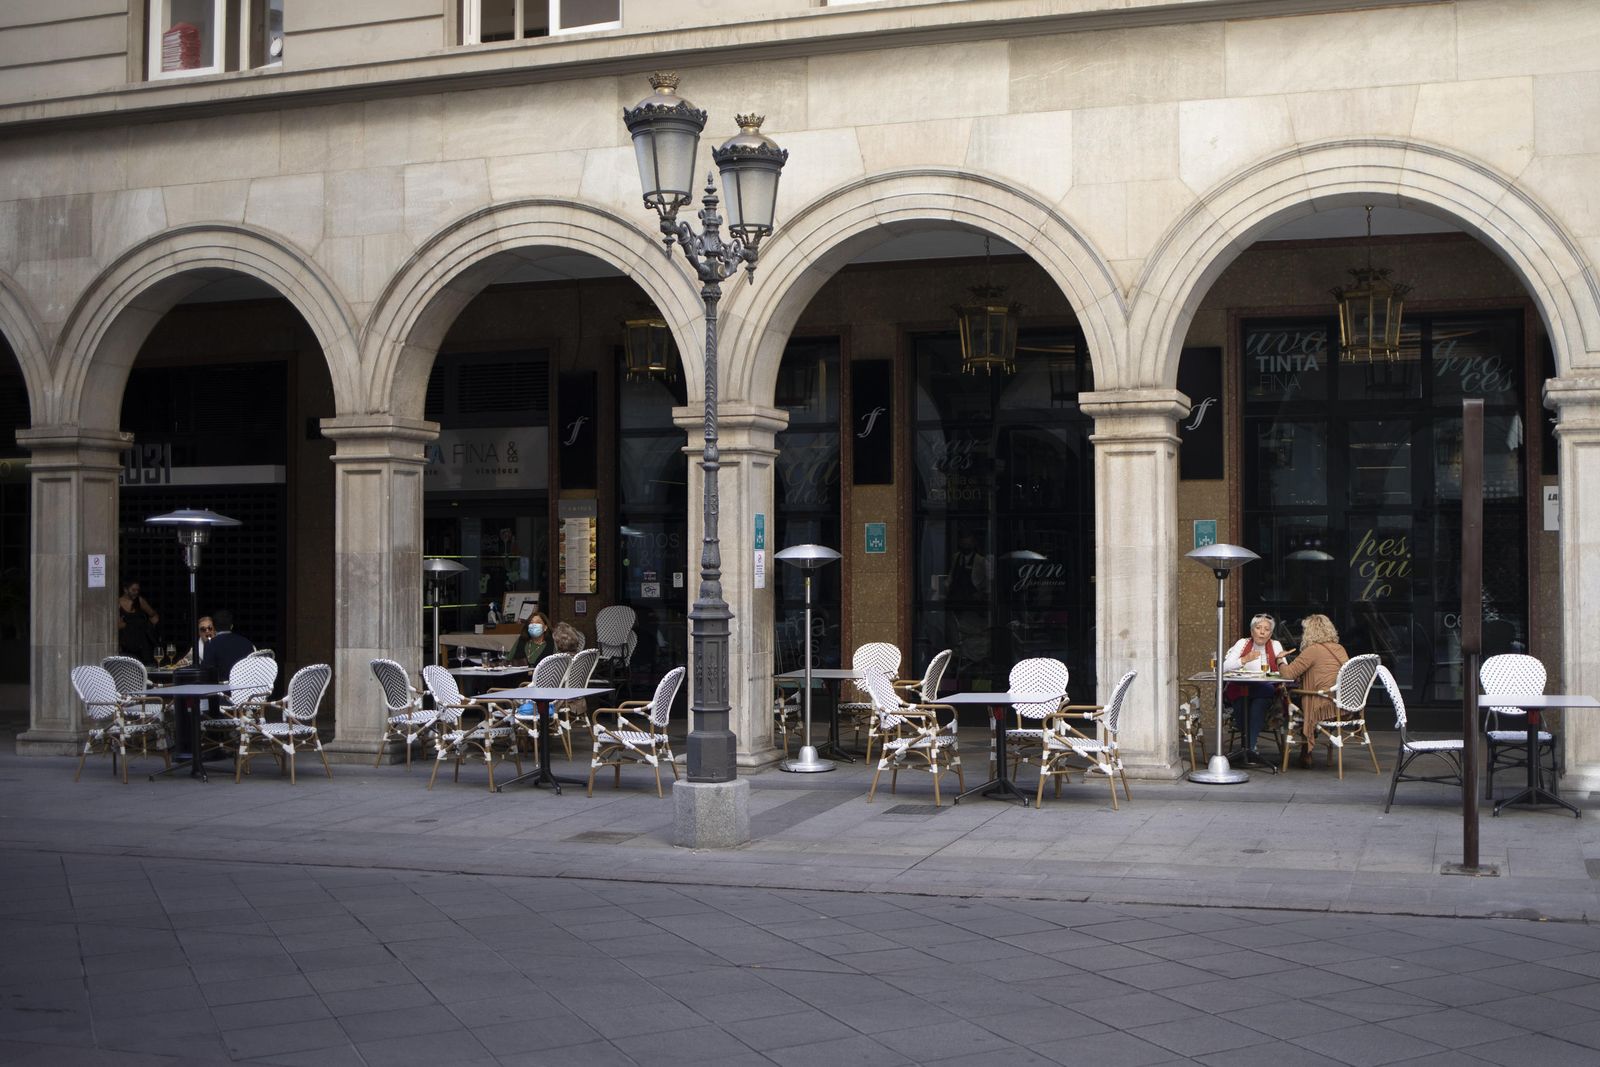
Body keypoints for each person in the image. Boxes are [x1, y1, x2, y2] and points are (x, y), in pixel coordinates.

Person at [1278, 613, 1352, 769]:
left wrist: (1279, 659)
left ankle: (1302, 749)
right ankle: (1306, 750)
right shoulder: (1340, 649)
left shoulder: (1312, 650)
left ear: (1310, 632)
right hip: (1341, 703)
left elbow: (1288, 674)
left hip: (1321, 704)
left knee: (1286, 698)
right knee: (1304, 697)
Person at [1222, 613, 1288, 766]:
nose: (1262, 632)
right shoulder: (1242, 643)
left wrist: (1279, 661)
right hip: (1240, 688)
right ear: (1252, 631)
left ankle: (1248, 748)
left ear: (1270, 633)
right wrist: (1244, 660)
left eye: (1266, 629)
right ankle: (1250, 749)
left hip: (1264, 689)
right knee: (1240, 705)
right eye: (1258, 628)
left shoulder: (1275, 645)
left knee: (1258, 705)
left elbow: (1284, 673)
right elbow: (1224, 668)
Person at [199, 609, 255, 681]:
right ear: (231, 626)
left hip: (222, 690)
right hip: (244, 687)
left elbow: (207, 672)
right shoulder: (247, 643)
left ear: (214, 627)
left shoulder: (210, 644)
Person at [117, 580, 161, 664]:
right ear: (125, 590)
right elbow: (118, 625)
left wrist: (152, 627)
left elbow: (153, 615)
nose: (136, 592)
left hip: (143, 644)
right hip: (127, 644)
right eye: (133, 590)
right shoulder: (118, 603)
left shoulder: (139, 601)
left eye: (137, 590)